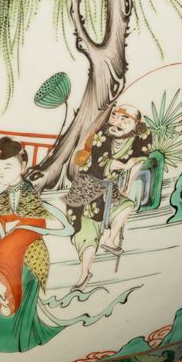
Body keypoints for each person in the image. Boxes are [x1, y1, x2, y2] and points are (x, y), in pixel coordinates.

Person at [0, 137, 74, 353]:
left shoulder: (28, 192)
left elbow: (36, 223)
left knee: (17, 302)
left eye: (7, 167)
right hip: (10, 256)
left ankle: (20, 341)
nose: (1, 173)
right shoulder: (6, 194)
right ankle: (12, 341)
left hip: (28, 256)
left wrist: (14, 227)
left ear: (23, 167)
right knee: (5, 299)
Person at [63, 104, 153, 291]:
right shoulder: (102, 134)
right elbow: (101, 163)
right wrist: (124, 165)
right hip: (87, 188)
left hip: (110, 190)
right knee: (88, 234)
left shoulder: (142, 135)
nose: (117, 122)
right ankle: (84, 274)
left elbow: (139, 158)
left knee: (126, 205)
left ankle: (110, 239)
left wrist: (129, 183)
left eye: (124, 119)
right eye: (114, 116)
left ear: (136, 124)